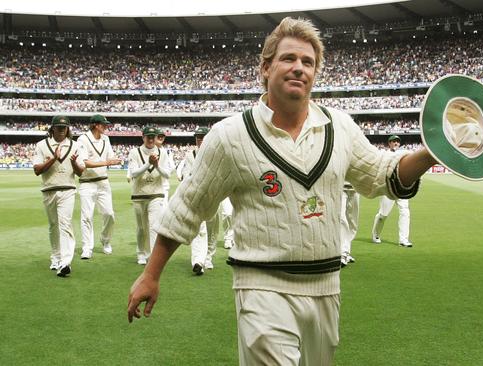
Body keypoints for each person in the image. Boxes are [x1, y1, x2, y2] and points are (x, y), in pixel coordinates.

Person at [127, 17, 437, 365]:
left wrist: (432, 151)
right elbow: (186, 208)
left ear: (316, 72)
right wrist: (151, 274)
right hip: (262, 286)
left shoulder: (341, 127)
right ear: (266, 67)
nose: (298, 68)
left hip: (326, 286)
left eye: (308, 62)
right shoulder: (230, 136)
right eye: (288, 58)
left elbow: (383, 175)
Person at [33, 115, 85, 277]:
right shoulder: (42, 145)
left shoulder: (75, 146)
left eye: (65, 127)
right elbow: (37, 170)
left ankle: (65, 262)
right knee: (53, 225)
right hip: (49, 189)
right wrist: (54, 158)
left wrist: (75, 162)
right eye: (59, 127)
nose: (62, 130)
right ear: (52, 128)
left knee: (65, 224)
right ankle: (55, 257)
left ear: (68, 129)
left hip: (68, 189)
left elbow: (80, 172)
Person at [77, 114, 122, 259]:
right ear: (96, 125)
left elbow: (110, 157)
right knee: (86, 216)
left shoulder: (105, 139)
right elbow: (85, 162)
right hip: (87, 183)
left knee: (109, 214)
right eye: (104, 124)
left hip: (103, 181)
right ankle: (87, 248)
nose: (106, 127)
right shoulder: (83, 139)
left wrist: (114, 161)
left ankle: (105, 240)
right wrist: (107, 163)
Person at [128, 126, 172, 265]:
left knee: (154, 226)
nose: (151, 139)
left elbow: (167, 174)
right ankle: (141, 253)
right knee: (141, 227)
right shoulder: (134, 152)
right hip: (139, 195)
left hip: (156, 194)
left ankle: (152, 256)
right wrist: (148, 163)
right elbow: (134, 173)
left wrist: (157, 165)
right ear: (143, 137)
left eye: (153, 136)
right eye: (148, 136)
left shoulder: (162, 153)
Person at [179, 127, 219, 275]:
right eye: (198, 137)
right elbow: (186, 174)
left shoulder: (217, 153)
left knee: (212, 229)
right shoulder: (191, 155)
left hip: (214, 196)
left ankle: (209, 257)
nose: (200, 139)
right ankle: (198, 262)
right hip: (197, 197)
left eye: (203, 137)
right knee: (199, 230)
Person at [371, 135, 413, 247]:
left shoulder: (403, 154)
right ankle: (375, 235)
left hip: (402, 187)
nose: (396, 143)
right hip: (388, 187)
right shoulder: (383, 154)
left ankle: (403, 239)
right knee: (383, 214)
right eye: (394, 141)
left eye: (398, 142)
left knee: (405, 211)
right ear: (389, 143)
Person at [340, 182, 359, 266]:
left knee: (353, 223)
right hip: (340, 187)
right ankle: (342, 252)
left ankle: (346, 251)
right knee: (341, 218)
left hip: (355, 189)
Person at [154, 129, 176, 202]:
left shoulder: (167, 151)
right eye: (159, 136)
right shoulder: (149, 150)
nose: (161, 138)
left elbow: (172, 167)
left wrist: (164, 171)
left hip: (163, 185)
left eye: (162, 137)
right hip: (150, 185)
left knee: (163, 210)